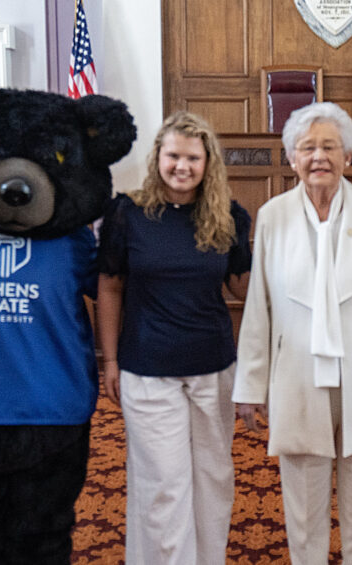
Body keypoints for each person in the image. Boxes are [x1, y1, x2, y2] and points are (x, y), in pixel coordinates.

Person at [233, 102, 352, 565]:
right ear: (292, 158)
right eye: (307, 148)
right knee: (302, 513)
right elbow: (258, 307)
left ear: (348, 156)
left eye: (329, 146)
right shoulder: (273, 215)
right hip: (297, 378)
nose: (318, 156)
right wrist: (250, 387)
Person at [96, 111, 251, 564]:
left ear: (208, 163)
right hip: (147, 369)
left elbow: (243, 286)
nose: (182, 166)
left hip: (214, 367)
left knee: (212, 479)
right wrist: (109, 361)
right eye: (173, 155)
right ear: (158, 157)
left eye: (193, 158)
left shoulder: (227, 215)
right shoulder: (128, 212)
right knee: (163, 485)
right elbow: (110, 286)